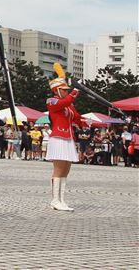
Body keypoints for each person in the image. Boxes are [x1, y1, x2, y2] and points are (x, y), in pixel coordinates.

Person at [46, 75, 87, 211]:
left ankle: (61, 199)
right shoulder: (51, 101)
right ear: (57, 90)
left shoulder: (68, 104)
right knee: (58, 169)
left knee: (66, 169)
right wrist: (76, 91)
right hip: (58, 137)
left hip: (68, 137)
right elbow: (64, 102)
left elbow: (75, 116)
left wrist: (83, 123)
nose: (66, 92)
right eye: (64, 89)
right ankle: (54, 200)